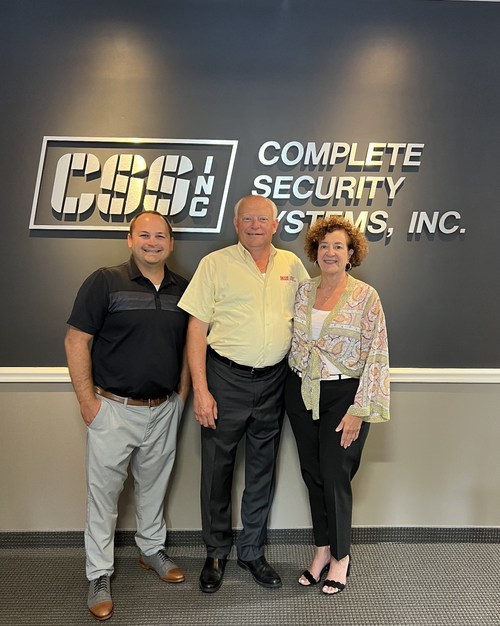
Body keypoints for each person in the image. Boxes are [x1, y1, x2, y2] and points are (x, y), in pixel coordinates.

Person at [178, 194, 309, 593]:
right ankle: (216, 552)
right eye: (247, 219)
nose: (255, 225)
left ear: (276, 225)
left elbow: (309, 318)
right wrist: (200, 390)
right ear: (236, 225)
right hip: (225, 380)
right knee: (217, 470)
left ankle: (252, 551)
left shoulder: (292, 265)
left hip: (274, 382)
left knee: (261, 472)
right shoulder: (214, 264)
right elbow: (196, 330)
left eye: (263, 219)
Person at [65, 211, 190, 621]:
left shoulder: (182, 289)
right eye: (145, 235)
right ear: (130, 239)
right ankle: (98, 574)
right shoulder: (105, 281)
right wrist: (88, 401)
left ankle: (150, 551)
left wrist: (181, 396)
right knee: (104, 497)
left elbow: (192, 345)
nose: (153, 242)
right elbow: (76, 339)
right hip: (113, 409)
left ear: (170, 244)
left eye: (161, 236)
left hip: (163, 409)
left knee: (154, 487)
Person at [285, 215, 389, 596]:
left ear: (351, 254)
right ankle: (322, 551)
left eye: (338, 246)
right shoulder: (303, 292)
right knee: (312, 475)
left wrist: (359, 410)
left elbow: (377, 355)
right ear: (315, 251)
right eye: (324, 245)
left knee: (334, 476)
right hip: (300, 393)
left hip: (345, 398)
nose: (330, 252)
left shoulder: (366, 296)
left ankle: (341, 558)